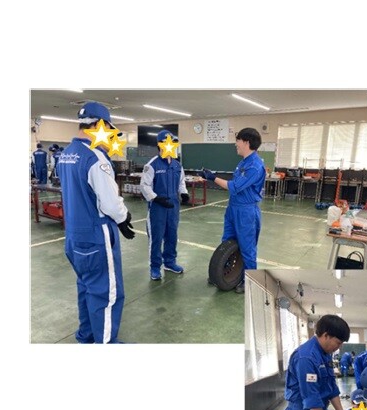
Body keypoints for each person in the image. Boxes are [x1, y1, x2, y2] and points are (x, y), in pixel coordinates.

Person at [57, 101, 135, 344]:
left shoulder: (65, 155)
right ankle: (106, 343)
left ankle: (87, 335)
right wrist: (124, 218)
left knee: (86, 287)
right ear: (100, 125)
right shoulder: (95, 157)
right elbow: (110, 203)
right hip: (95, 236)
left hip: (74, 236)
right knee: (106, 293)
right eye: (108, 129)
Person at [279, 315, 356, 410]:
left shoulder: (325, 354)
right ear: (326, 335)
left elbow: (331, 387)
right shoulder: (306, 357)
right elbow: (311, 398)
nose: (339, 347)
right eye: (338, 342)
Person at [200, 127, 266, 294]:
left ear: (246, 142)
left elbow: (234, 187)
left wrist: (212, 177)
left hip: (246, 211)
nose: (235, 144)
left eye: (237, 140)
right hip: (233, 208)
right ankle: (223, 273)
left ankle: (249, 281)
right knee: (228, 243)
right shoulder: (243, 162)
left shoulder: (255, 166)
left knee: (247, 248)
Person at [141, 130, 190, 281]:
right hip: (157, 208)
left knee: (172, 235)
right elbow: (144, 186)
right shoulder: (152, 165)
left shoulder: (177, 165)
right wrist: (155, 198)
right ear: (159, 145)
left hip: (173, 207)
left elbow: (181, 182)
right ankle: (155, 267)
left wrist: (184, 193)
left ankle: (169, 262)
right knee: (156, 238)